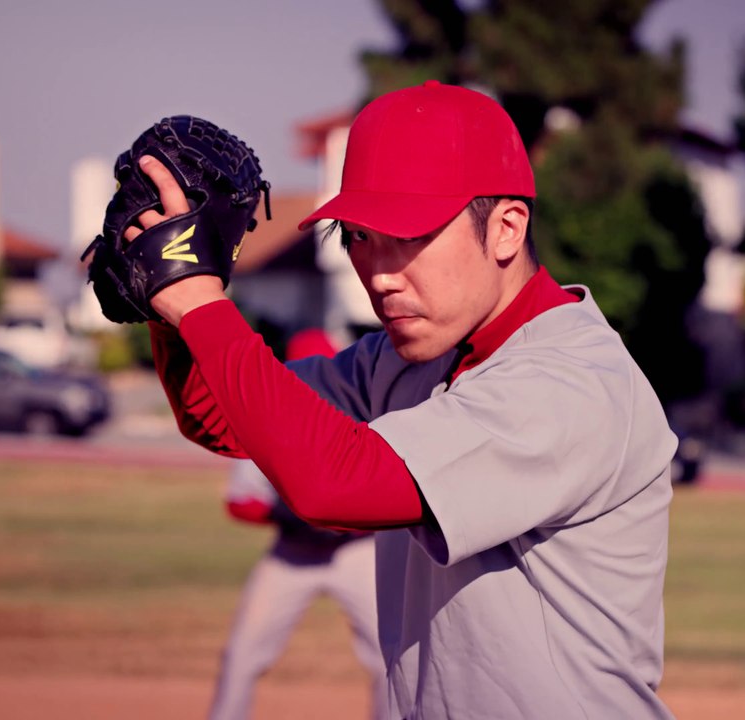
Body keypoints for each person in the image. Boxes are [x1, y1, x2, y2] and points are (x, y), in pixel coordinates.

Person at [138, 81, 678, 719]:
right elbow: (220, 413)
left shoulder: (571, 382)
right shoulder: (404, 356)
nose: (380, 273)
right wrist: (166, 303)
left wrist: (201, 302)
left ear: (507, 228)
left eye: (409, 234)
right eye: (360, 237)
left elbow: (334, 485)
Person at [208, 330, 389, 720]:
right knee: (244, 651)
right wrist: (289, 511)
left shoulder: (363, 422)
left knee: (390, 655)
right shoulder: (268, 431)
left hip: (356, 553)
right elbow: (239, 502)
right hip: (292, 555)